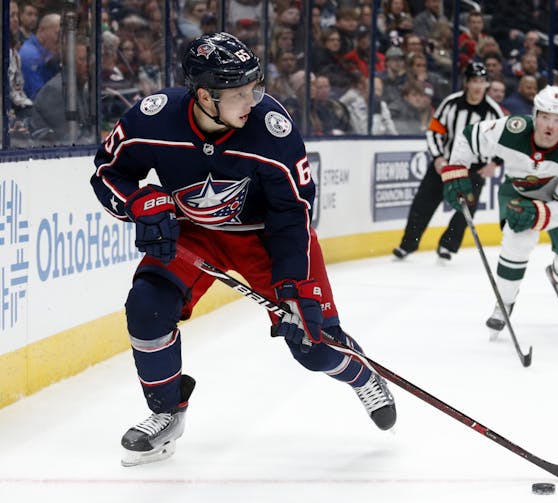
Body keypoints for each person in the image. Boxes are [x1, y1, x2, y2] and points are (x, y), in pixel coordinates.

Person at [90, 32, 396, 467]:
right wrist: (138, 203)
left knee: (314, 345)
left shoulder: (272, 129)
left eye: (256, 86)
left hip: (266, 238)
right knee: (146, 308)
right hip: (194, 234)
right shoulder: (150, 119)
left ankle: (361, 374)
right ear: (204, 96)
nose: (253, 100)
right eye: (240, 93)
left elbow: (293, 215)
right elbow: (106, 173)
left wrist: (293, 286)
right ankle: (166, 414)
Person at [440, 85, 558, 332]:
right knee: (516, 241)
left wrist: (541, 214)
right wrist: (457, 170)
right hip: (518, 195)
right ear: (535, 115)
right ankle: (504, 302)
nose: (550, 126)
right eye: (544, 117)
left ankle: (557, 276)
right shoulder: (512, 129)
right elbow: (469, 136)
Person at [393, 62, 504, 261]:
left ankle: (447, 245)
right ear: (467, 83)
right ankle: (407, 244)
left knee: (465, 210)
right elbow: (434, 131)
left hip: (474, 169)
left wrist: (495, 163)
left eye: (482, 81)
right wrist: (438, 157)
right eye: (474, 81)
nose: (478, 86)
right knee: (423, 204)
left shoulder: (493, 111)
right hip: (445, 164)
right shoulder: (451, 103)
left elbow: (504, 141)